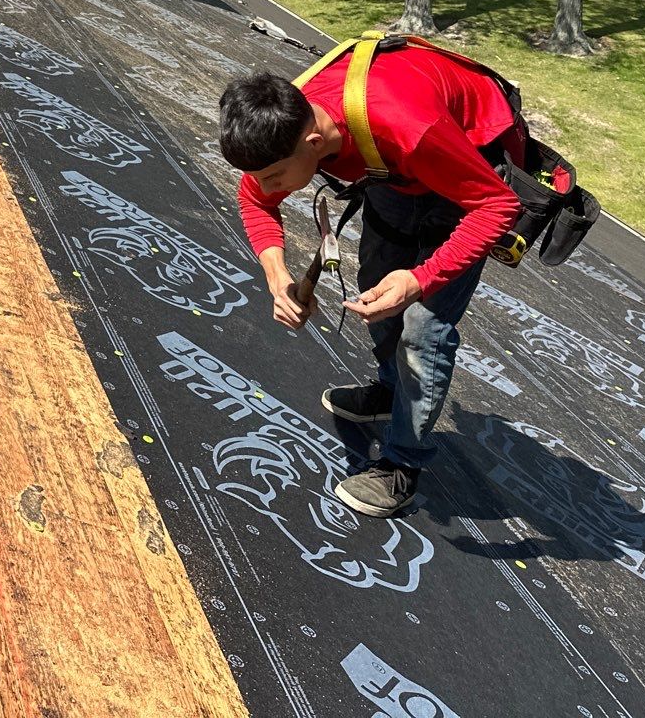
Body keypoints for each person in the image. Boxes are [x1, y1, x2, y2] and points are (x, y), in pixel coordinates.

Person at [217, 44, 525, 519]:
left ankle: (403, 466)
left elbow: (497, 206)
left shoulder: (407, 127)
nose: (271, 186)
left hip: (464, 162)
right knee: (375, 285)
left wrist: (421, 278)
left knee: (424, 328)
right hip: (393, 169)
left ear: (314, 144)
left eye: (276, 176)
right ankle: (389, 390)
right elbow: (256, 199)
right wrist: (278, 277)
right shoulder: (284, 123)